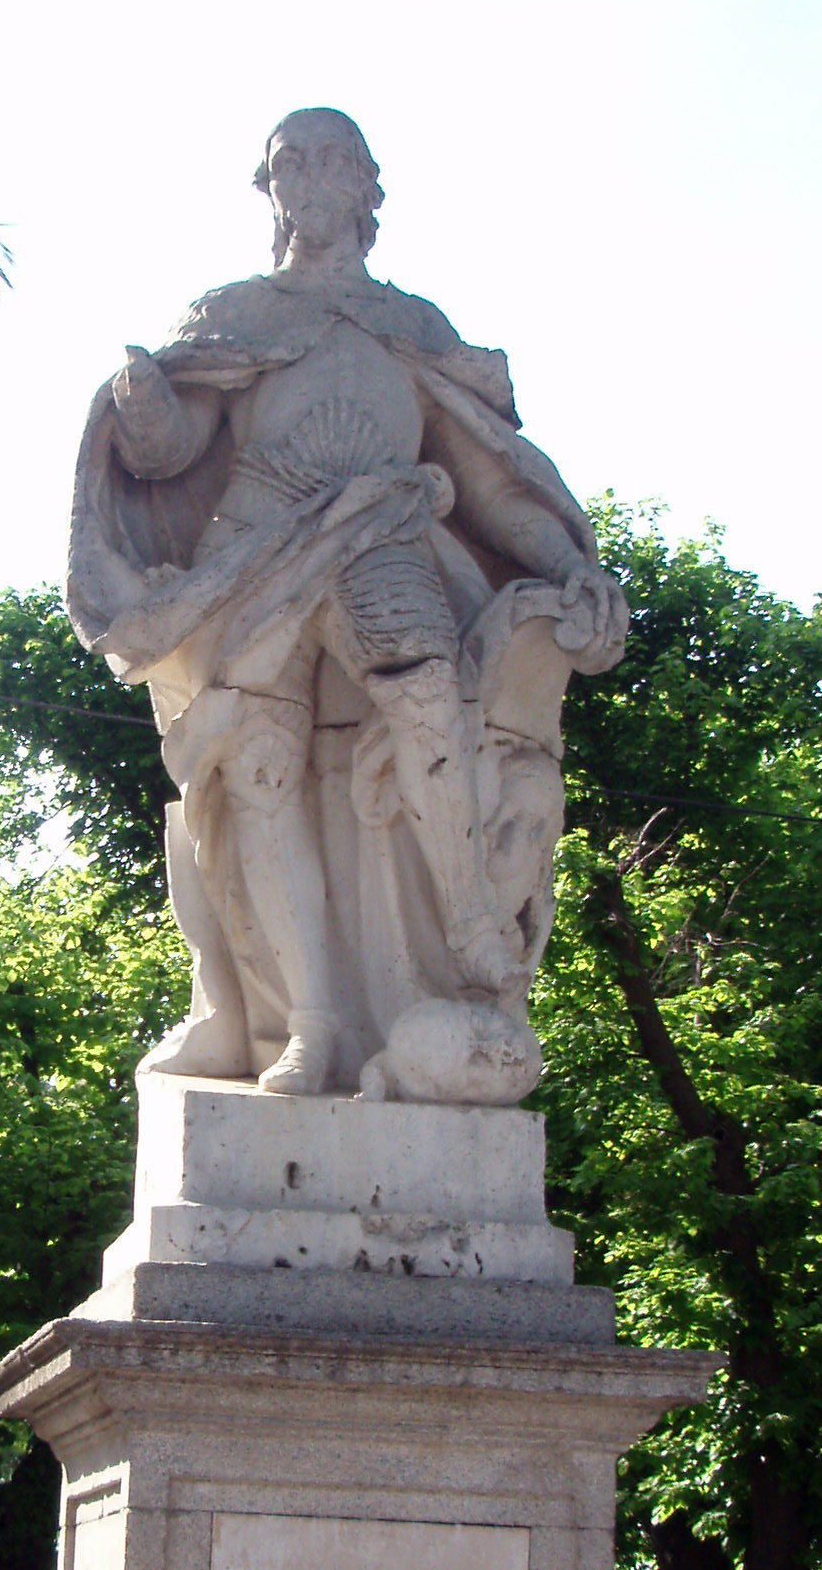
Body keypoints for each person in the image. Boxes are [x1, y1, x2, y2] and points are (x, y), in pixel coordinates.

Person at [67, 108, 627, 1100]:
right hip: (259, 533)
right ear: (267, 187)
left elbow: (492, 482)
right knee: (259, 761)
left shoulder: (413, 326)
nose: (313, 178)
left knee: (424, 686)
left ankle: (466, 917)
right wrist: (145, 405)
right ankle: (311, 1027)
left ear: (371, 189)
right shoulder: (235, 311)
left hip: (380, 527)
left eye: (335, 162)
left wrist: (569, 563)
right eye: (292, 162)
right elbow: (171, 455)